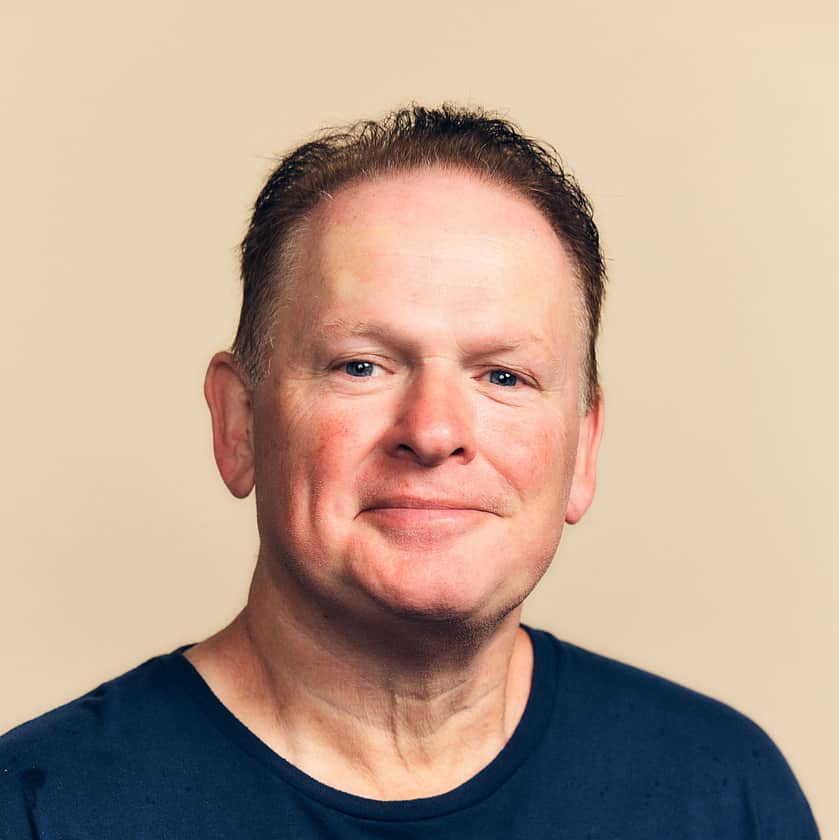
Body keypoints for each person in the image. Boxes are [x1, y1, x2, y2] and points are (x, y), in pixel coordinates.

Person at [0, 105, 819, 838]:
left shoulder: (721, 794)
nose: (432, 433)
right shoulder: (39, 808)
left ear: (584, 448)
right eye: (361, 365)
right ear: (239, 424)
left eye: (504, 376)